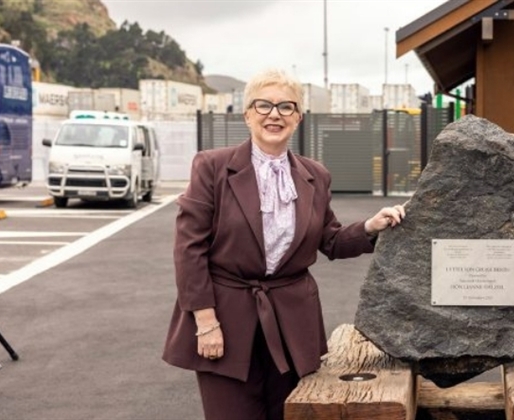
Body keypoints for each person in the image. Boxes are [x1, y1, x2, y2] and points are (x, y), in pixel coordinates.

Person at [162, 68, 405, 420]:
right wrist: (206, 322)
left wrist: (371, 226)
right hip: (225, 321)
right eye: (263, 105)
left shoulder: (315, 175)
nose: (274, 114)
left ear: (299, 118)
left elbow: (331, 240)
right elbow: (189, 250)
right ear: (247, 115)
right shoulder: (211, 167)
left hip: (292, 325)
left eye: (286, 107)